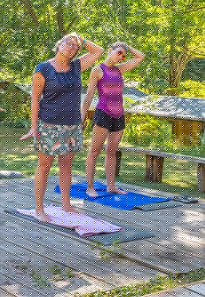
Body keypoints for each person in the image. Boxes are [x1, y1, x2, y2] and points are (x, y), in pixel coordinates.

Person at [22, 33, 103, 221]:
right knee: (45, 166)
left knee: (66, 166)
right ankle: (39, 209)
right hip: (49, 124)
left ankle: (66, 205)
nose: (71, 46)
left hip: (72, 124)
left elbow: (98, 51)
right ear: (59, 44)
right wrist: (34, 127)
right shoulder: (43, 68)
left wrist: (80, 39)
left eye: (75, 46)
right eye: (68, 42)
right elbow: (35, 99)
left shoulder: (77, 66)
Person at [82, 42, 145, 194]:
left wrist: (127, 46)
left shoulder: (120, 69)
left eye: (123, 55)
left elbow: (140, 56)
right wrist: (82, 115)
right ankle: (90, 187)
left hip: (119, 116)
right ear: (110, 50)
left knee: (112, 152)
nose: (121, 57)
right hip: (103, 114)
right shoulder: (98, 69)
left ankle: (111, 186)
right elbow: (90, 94)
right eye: (119, 53)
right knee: (94, 151)